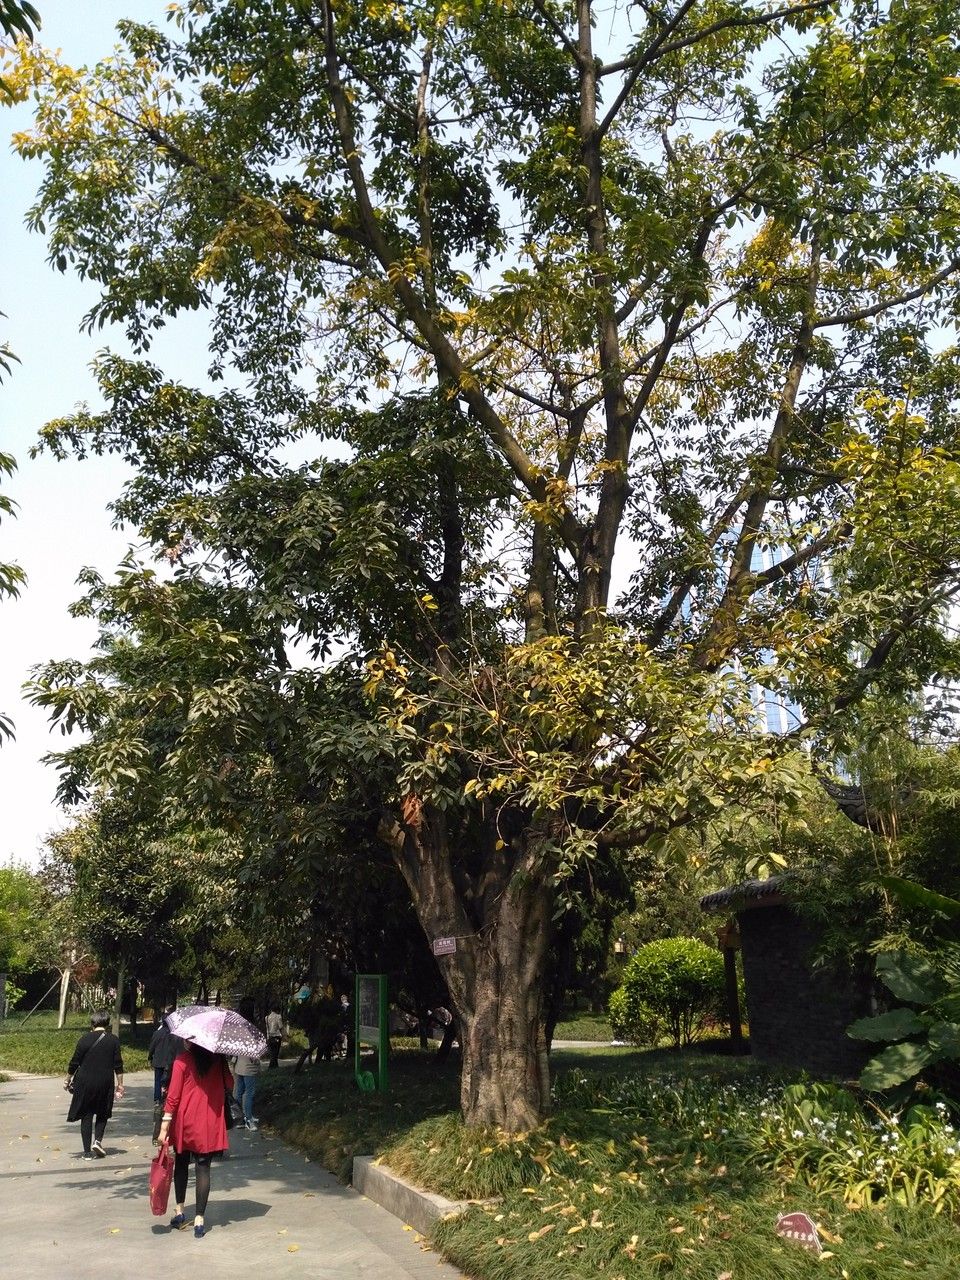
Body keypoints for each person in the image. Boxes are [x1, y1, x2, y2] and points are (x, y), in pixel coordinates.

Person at [156, 1042, 232, 1238]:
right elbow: (230, 1084)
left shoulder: (181, 1061)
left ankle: (180, 1211)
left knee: (181, 1164)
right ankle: (199, 1220)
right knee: (203, 1167)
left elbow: (173, 1096)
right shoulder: (218, 1060)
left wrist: (164, 1125)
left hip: (185, 1121)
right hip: (210, 1120)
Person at [64, 1009, 124, 1160]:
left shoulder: (84, 1039)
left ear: (92, 1023)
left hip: (85, 1082)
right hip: (105, 1081)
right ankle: (97, 1141)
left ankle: (86, 1153)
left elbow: (74, 1062)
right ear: (107, 1023)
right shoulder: (113, 1040)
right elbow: (118, 1064)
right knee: (103, 1112)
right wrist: (120, 1084)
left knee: (86, 1115)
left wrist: (67, 1079)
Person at [265, 1005, 283, 1069]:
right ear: (277, 1010)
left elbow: (267, 1028)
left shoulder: (266, 1017)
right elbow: (281, 1027)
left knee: (272, 1053)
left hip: (270, 1037)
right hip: (277, 1037)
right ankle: (271, 1067)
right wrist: (284, 1035)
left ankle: (275, 1066)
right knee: (276, 1053)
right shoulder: (278, 1016)